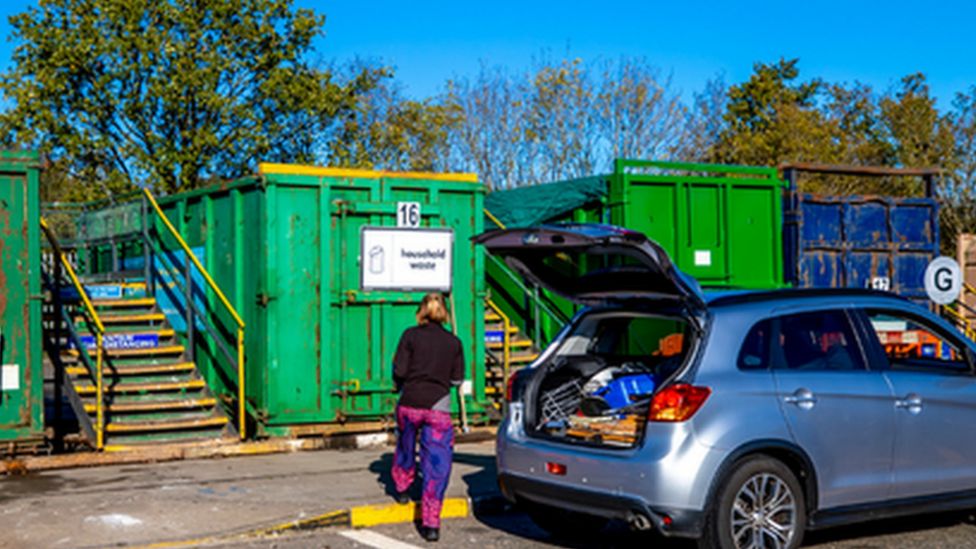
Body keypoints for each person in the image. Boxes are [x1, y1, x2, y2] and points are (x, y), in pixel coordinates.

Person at [391, 292, 464, 542]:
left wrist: (400, 382)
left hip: (410, 402)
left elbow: (399, 370)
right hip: (438, 408)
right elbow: (456, 380)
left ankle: (402, 487)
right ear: (444, 312)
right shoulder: (454, 343)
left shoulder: (409, 335)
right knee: (437, 465)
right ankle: (431, 524)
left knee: (405, 446)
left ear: (422, 311)